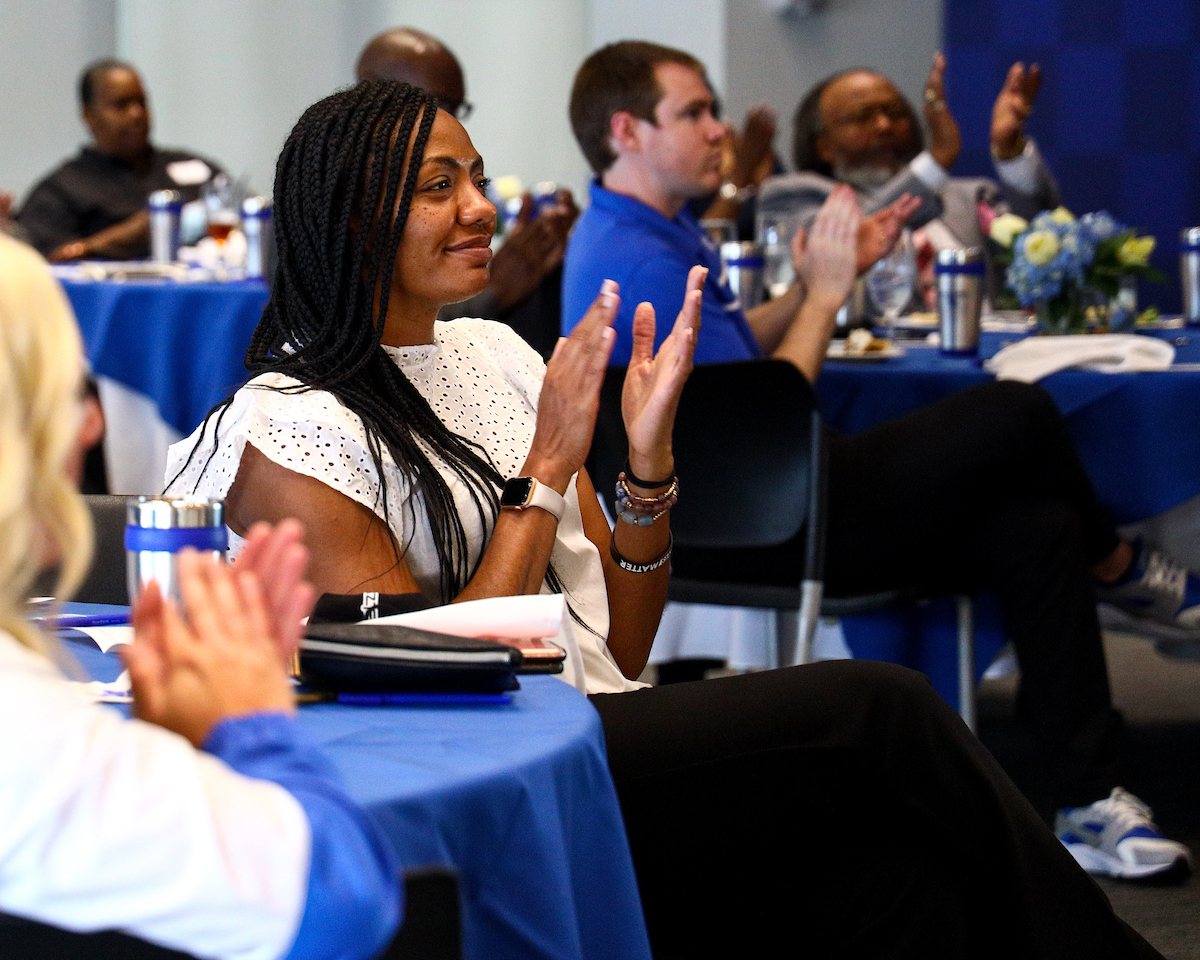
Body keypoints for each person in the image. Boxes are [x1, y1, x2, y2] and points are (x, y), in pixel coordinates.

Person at [164, 79, 1178, 957]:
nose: (481, 208)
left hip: (600, 721)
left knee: (910, 892)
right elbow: (431, 702)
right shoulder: (290, 429)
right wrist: (549, 470)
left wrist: (644, 469)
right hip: (514, 771)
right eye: (440, 188)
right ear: (350, 218)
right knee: (882, 707)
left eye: (477, 176)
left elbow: (622, 641)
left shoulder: (500, 356)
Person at [560, 40, 1196, 881]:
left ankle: (1086, 798)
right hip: (758, 514)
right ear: (627, 131)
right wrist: (825, 294)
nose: (721, 128)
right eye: (696, 112)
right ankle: (1116, 562)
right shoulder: (633, 256)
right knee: (1019, 410)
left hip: (770, 489)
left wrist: (830, 274)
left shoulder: (649, 223)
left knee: (1036, 527)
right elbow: (773, 412)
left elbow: (737, 353)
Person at [0, 233, 400, 958]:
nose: (92, 425)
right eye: (60, 393)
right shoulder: (22, 733)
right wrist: (249, 722)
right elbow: (340, 897)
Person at [758, 54, 1061, 301]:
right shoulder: (792, 196)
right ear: (822, 145)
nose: (884, 125)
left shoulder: (971, 197)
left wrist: (1012, 155)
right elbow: (834, 251)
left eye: (895, 112)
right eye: (863, 116)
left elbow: (1048, 251)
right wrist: (934, 163)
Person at [356, 26, 577, 356]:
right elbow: (378, 328)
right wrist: (495, 289)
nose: (482, 209)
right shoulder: (328, 208)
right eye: (438, 187)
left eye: (479, 183)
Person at [15, 60, 222, 262]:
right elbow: (44, 263)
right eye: (121, 105)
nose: (136, 114)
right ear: (89, 115)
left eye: (141, 102)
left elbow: (240, 210)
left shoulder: (193, 166)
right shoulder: (61, 190)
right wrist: (124, 237)